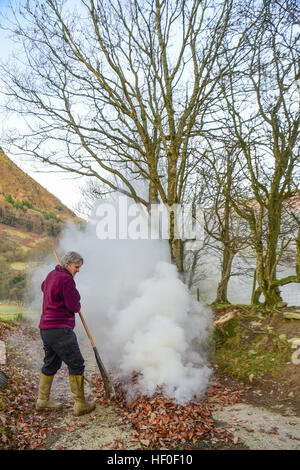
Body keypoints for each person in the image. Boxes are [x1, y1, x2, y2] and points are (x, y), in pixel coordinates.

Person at [36, 251, 96, 416]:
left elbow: (43, 287)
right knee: (77, 364)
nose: (78, 270)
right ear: (69, 264)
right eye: (77, 267)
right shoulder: (66, 279)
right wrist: (76, 296)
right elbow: (73, 306)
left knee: (51, 363)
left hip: (46, 329)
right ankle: (80, 404)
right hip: (60, 329)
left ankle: (42, 400)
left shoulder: (51, 275)